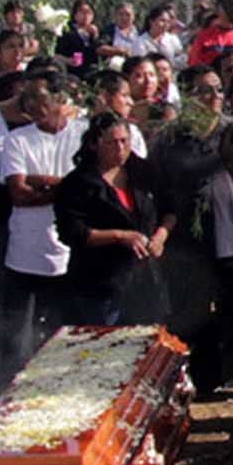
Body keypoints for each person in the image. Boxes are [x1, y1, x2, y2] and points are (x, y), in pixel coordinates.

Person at [0, 79, 83, 385]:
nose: (38, 112)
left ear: (60, 100)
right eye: (30, 108)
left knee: (68, 333)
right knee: (19, 338)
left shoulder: (83, 134)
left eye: (43, 104)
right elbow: (19, 193)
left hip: (73, 250)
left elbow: (91, 187)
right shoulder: (18, 140)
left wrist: (42, 182)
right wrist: (68, 188)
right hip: (26, 251)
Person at [48, 113, 169, 334]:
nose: (120, 148)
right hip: (100, 283)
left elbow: (169, 210)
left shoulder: (144, 171)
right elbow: (71, 232)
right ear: (95, 144)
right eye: (112, 143)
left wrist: (161, 235)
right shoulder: (78, 183)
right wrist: (120, 236)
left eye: (124, 141)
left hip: (145, 281)